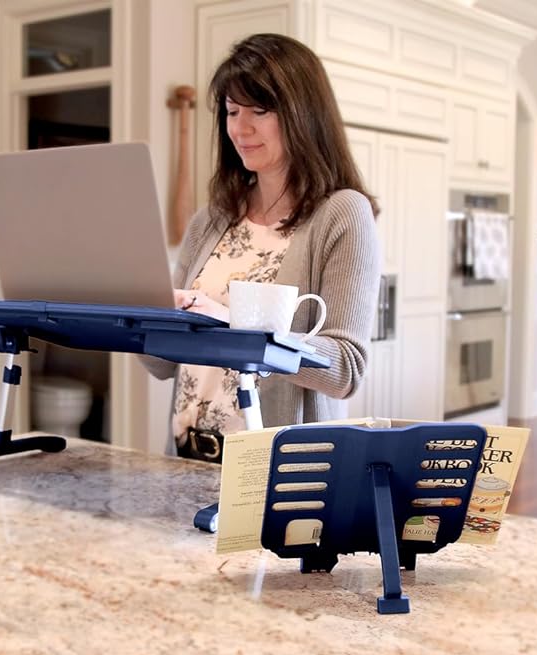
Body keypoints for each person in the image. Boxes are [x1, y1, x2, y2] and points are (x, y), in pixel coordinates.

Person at [143, 33, 381, 462]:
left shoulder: (341, 214)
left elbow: (346, 368)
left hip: (275, 469)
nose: (240, 128)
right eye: (232, 111)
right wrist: (137, 307)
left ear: (304, 114)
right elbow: (162, 364)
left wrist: (233, 325)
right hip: (186, 457)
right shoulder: (211, 219)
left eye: (259, 110)